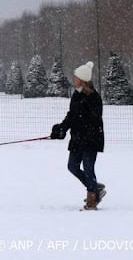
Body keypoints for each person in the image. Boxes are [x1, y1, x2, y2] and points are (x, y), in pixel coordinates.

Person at [50, 61, 105, 210]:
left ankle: (92, 200)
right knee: (72, 166)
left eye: (75, 77)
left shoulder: (94, 97)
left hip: (91, 139)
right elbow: (72, 115)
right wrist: (61, 128)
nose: (73, 79)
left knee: (88, 168)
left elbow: (93, 118)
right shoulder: (76, 95)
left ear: (83, 79)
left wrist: (79, 118)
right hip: (77, 139)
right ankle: (94, 187)